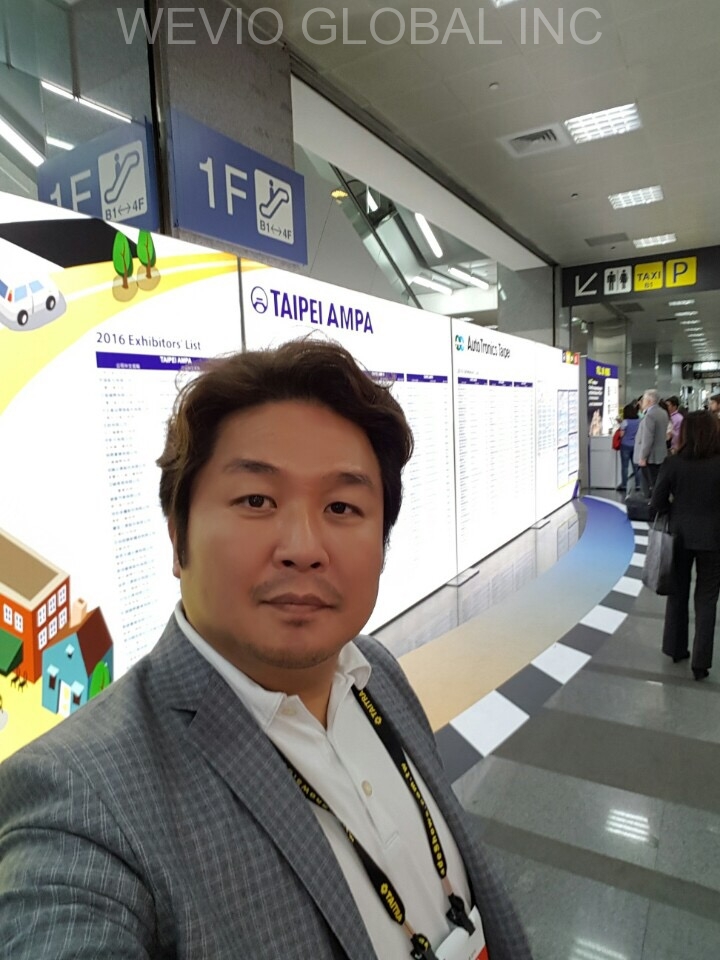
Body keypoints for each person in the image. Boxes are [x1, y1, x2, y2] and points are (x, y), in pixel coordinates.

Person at [0, 339, 532, 960]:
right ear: (177, 538)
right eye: (256, 501)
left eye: (342, 506)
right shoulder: (78, 801)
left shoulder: (375, 673)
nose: (303, 548)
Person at [651, 410, 720, 681]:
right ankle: (701, 663)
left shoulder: (673, 463)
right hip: (714, 538)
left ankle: (676, 648)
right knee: (707, 598)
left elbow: (657, 502)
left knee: (677, 592)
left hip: (678, 535)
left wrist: (675, 511)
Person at [633, 389, 669, 497]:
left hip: (650, 456)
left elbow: (648, 438)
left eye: (643, 400)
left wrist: (643, 457)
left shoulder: (650, 415)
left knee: (649, 484)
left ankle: (650, 502)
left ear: (649, 401)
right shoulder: (663, 413)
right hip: (660, 454)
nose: (641, 402)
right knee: (657, 482)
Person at [616, 403, 640, 492]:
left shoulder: (625, 422)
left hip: (625, 445)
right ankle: (638, 484)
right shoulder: (639, 421)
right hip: (635, 445)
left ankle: (624, 485)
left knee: (625, 466)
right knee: (636, 466)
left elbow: (621, 435)